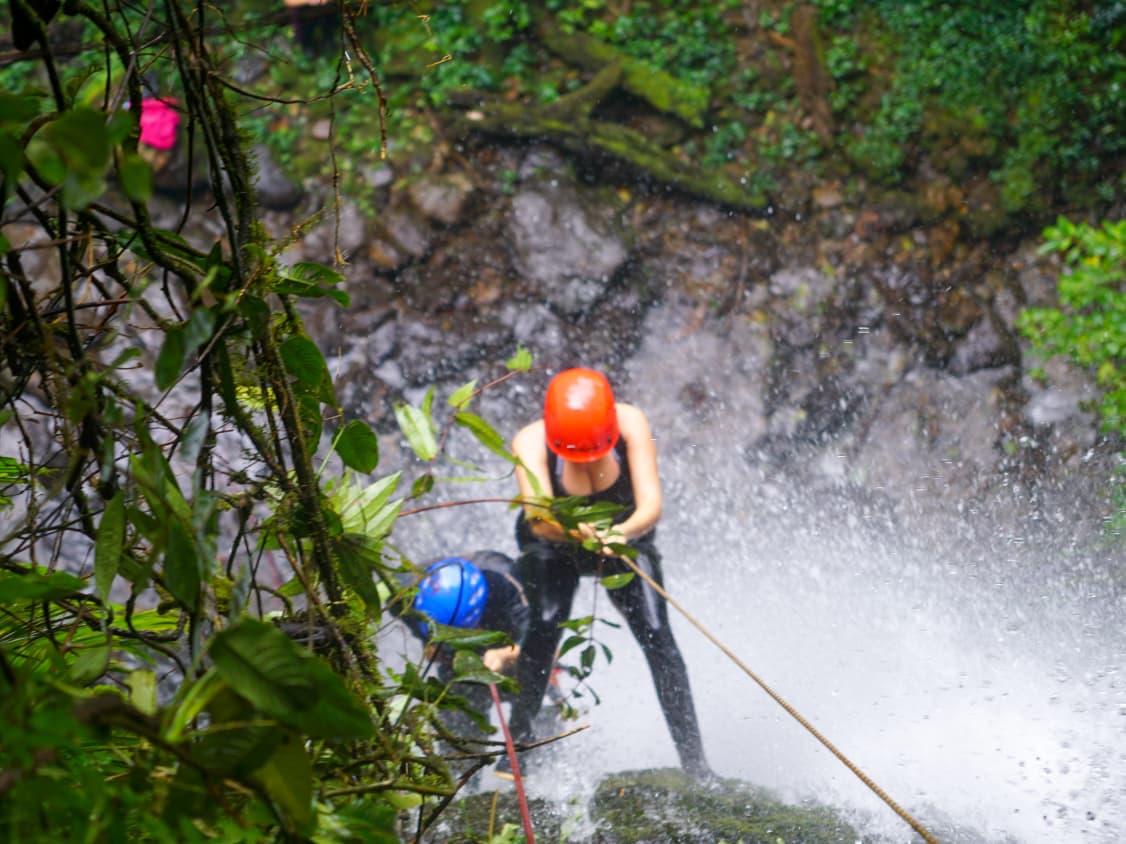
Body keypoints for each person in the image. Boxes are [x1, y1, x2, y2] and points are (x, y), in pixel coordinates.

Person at [507, 367, 711, 779]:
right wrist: (578, 533)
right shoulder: (530, 441)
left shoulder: (631, 422)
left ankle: (695, 763)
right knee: (545, 625)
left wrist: (620, 533)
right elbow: (539, 518)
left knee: (658, 636)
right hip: (554, 544)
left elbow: (651, 505)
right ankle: (518, 747)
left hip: (624, 536)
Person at [395, 552, 530, 745]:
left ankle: (537, 738)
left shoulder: (508, 586)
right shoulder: (403, 593)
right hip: (456, 660)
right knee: (459, 722)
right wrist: (428, 642)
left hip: (508, 642)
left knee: (532, 683)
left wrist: (504, 655)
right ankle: (464, 756)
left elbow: (541, 644)